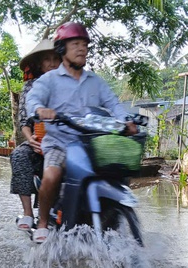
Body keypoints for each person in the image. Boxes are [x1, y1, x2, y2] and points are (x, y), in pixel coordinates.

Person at [26, 22, 137, 244]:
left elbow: (113, 104)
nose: (82, 49)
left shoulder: (95, 81)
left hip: (91, 143)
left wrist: (127, 121)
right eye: (75, 44)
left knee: (117, 170)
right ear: (61, 49)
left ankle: (110, 218)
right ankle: (42, 222)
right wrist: (40, 110)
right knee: (52, 174)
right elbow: (33, 99)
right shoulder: (49, 80)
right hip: (59, 142)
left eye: (85, 44)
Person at [9, 40, 61, 232]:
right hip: (38, 141)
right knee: (19, 156)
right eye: (47, 60)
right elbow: (25, 121)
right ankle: (28, 213)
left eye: (56, 59)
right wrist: (30, 139)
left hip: (65, 140)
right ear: (40, 64)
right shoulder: (31, 86)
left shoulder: (69, 82)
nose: (52, 64)